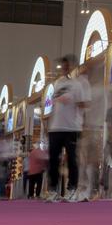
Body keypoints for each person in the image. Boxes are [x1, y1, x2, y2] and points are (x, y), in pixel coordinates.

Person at [46, 55, 89, 202]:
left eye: (67, 65)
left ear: (72, 67)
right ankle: (53, 190)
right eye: (63, 65)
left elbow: (82, 104)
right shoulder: (57, 83)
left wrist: (83, 125)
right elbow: (53, 105)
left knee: (72, 160)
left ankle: (72, 189)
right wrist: (48, 124)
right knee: (53, 160)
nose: (64, 68)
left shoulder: (77, 85)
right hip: (55, 128)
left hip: (71, 128)